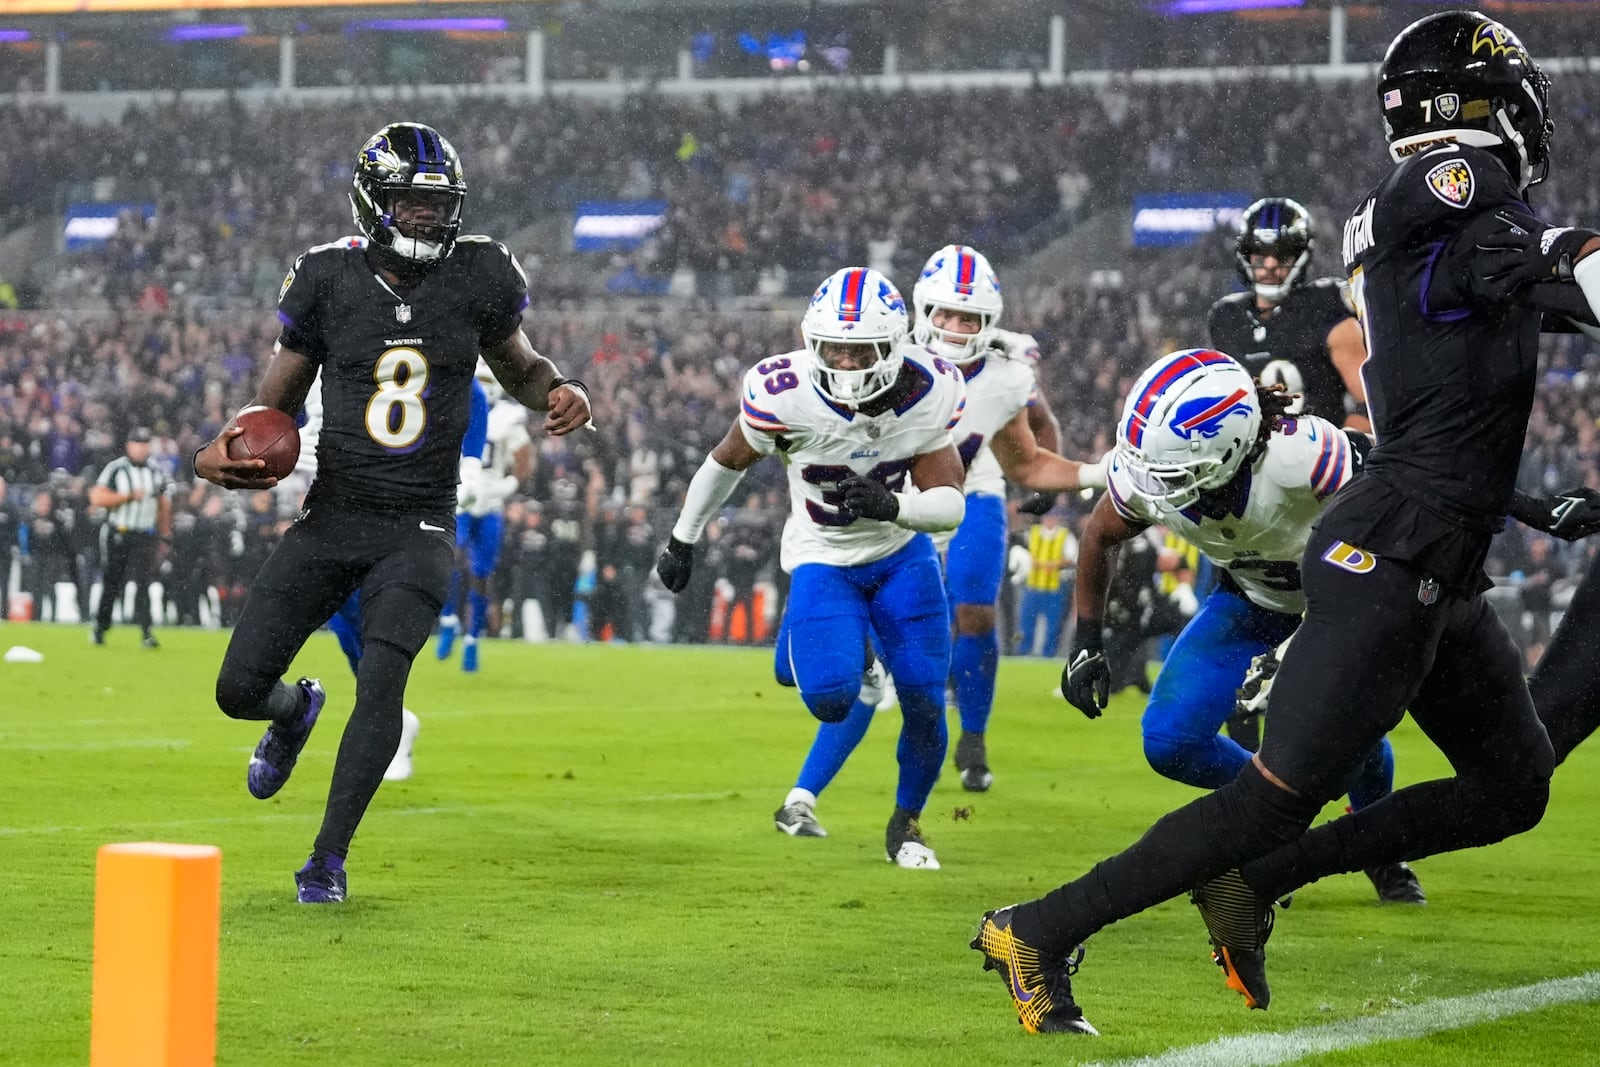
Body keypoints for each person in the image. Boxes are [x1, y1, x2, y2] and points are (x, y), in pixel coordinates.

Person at [969, 12, 1600, 1034]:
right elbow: (1568, 257)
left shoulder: (1454, 241)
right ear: (1482, 107)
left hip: (1431, 549)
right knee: (1267, 794)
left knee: (1512, 784)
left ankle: (1256, 882)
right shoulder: (1444, 190)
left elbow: (1529, 299)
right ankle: (1036, 925)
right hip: (1390, 556)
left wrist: (1532, 501)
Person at [192, 122, 591, 904]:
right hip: (335, 511)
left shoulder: (478, 272)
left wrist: (560, 390)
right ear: (375, 200)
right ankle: (293, 709)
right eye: (410, 203)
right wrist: (214, 454)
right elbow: (272, 407)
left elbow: (521, 367)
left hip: (420, 525)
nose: (426, 218)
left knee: (382, 683)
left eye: (437, 205)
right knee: (237, 687)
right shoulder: (327, 278)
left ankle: (326, 859)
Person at [1064, 349, 1423, 905]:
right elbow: (1099, 534)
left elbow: (1398, 520)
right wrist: (1086, 641)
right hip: (1252, 603)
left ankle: (1375, 845)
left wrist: (1330, 641)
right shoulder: (1157, 475)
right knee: (1170, 740)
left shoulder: (1302, 458)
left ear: (1226, 449)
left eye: (1168, 467)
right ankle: (1275, 829)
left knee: (1354, 742)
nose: (1147, 482)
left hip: (1339, 608)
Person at [655, 266, 968, 868]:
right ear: (810, 342)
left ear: (893, 345)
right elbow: (726, 462)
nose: (846, 364)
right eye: (834, 350)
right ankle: (856, 656)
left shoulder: (928, 389)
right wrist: (682, 538)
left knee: (926, 699)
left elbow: (951, 505)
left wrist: (896, 506)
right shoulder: (782, 390)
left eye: (860, 351)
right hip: (824, 557)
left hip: (902, 557)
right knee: (829, 696)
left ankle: (906, 827)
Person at [906, 245, 1103, 791]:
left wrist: (1042, 488)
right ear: (923, 310)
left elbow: (1041, 424)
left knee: (975, 612)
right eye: (944, 313)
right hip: (904, 496)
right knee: (917, 617)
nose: (953, 326)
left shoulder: (1005, 373)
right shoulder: (896, 356)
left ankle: (973, 735)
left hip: (978, 488)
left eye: (967, 317)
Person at [1209, 197, 1372, 433]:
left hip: (1320, 456)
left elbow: (1370, 403)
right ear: (1246, 255)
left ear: (1301, 256)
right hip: (1256, 455)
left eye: (1282, 255)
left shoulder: (1324, 306)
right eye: (1260, 255)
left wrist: (1341, 446)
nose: (1270, 266)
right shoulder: (1227, 318)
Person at [437, 361, 533, 670]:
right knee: (452, 556)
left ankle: (472, 639)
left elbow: (525, 458)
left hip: (490, 501)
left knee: (481, 574)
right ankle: (450, 618)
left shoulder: (508, 418)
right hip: (461, 496)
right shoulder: (454, 405)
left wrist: (510, 485)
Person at [89, 426, 170, 647]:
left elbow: (163, 504)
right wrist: (127, 497)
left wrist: (165, 534)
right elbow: (97, 497)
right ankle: (100, 627)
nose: (142, 448)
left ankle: (146, 631)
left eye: (146, 444)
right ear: (129, 446)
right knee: (112, 581)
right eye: (138, 443)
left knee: (143, 584)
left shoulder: (155, 471)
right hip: (118, 533)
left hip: (144, 535)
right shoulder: (116, 469)